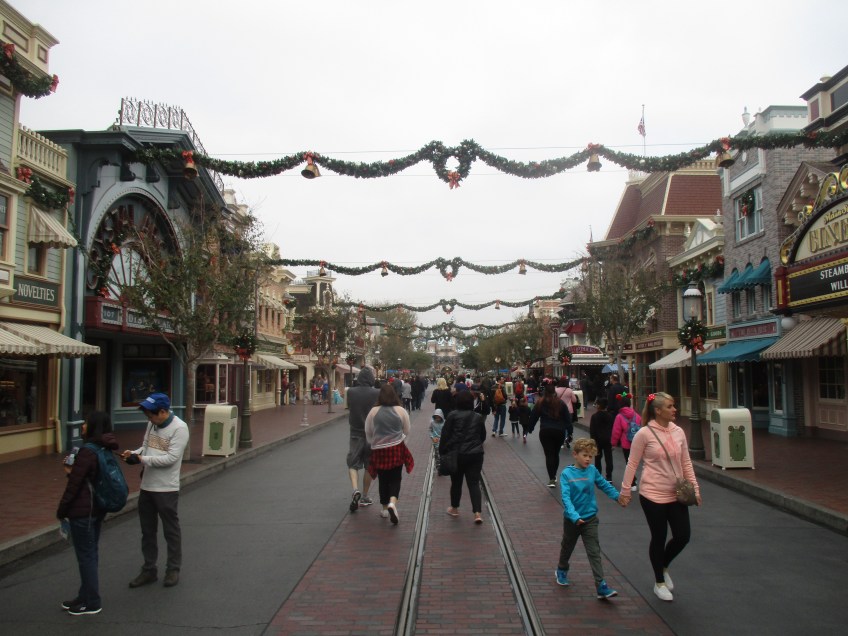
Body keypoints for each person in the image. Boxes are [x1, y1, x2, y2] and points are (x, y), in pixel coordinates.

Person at [619, 392, 701, 602]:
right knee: (659, 536)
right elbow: (632, 463)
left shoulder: (679, 432)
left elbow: (686, 463)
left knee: (683, 536)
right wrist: (625, 490)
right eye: (671, 406)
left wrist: (695, 489)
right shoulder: (644, 434)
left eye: (674, 406)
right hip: (652, 493)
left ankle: (663, 566)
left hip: (676, 493)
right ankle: (659, 582)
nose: (675, 409)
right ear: (658, 410)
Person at [121, 392, 189, 589]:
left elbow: (171, 459)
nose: (148, 418)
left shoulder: (180, 428)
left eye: (151, 414)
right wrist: (133, 454)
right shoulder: (152, 424)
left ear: (163, 411)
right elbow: (145, 447)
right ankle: (149, 569)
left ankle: (173, 568)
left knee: (171, 530)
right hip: (147, 486)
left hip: (166, 487)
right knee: (147, 530)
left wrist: (142, 459)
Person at [56, 411, 119, 615]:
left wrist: (62, 509)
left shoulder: (87, 452)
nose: (82, 426)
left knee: (86, 556)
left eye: (85, 423)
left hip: (84, 511)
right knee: (90, 554)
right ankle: (84, 595)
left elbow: (75, 484)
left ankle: (92, 601)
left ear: (93, 427)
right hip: (97, 508)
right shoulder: (105, 448)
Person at [555, 438, 624, 599]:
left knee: (594, 551)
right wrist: (574, 516)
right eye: (584, 455)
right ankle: (562, 568)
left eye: (590, 456)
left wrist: (617, 497)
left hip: (590, 519)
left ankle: (601, 585)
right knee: (567, 547)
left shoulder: (592, 470)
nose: (587, 459)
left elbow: (604, 484)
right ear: (575, 455)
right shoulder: (567, 474)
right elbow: (566, 498)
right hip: (572, 521)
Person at [364, 383, 414, 524]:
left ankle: (385, 508)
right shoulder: (400, 410)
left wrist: (374, 442)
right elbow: (407, 429)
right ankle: (393, 501)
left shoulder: (373, 411)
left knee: (383, 479)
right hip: (396, 448)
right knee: (395, 478)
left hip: (379, 449)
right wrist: (400, 438)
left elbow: (368, 430)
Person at [439, 390, 487, 523]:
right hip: (475, 454)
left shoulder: (452, 415)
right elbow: (482, 435)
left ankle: (454, 508)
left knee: (456, 482)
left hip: (457, 454)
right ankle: (477, 513)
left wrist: (442, 452)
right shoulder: (477, 417)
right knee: (474, 483)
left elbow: (445, 435)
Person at [346, 366, 380, 512]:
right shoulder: (377, 393)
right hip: (372, 433)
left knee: (352, 463)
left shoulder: (351, 392)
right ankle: (365, 495)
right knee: (369, 465)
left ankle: (355, 489)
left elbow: (349, 407)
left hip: (355, 432)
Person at [529, 383, 572, 487]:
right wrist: (570, 432)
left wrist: (530, 428)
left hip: (545, 431)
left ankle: (551, 478)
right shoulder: (560, 403)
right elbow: (567, 419)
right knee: (555, 454)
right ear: (554, 392)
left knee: (549, 455)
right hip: (559, 431)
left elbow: (534, 416)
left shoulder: (540, 403)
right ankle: (554, 474)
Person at [610, 393, 641, 489]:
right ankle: (634, 479)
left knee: (629, 463)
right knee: (635, 462)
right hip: (636, 442)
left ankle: (632, 482)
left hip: (626, 443)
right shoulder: (637, 415)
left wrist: (613, 443)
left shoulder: (619, 417)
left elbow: (616, 431)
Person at [589, 397, 614, 481]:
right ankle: (609, 476)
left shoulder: (594, 416)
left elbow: (592, 430)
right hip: (608, 439)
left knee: (598, 458)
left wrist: (592, 441)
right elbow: (612, 428)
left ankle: (598, 475)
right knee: (608, 458)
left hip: (597, 440)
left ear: (599, 406)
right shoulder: (610, 416)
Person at [554, 377, 576, 447]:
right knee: (568, 424)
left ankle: (561, 439)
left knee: (560, 424)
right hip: (569, 410)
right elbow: (574, 400)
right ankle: (567, 437)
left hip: (558, 409)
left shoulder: (556, 390)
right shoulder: (569, 390)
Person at [429, 408, 446, 473]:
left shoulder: (445, 422)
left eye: (439, 417)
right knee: (437, 453)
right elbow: (430, 430)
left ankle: (442, 465)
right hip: (436, 440)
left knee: (442, 453)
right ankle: (438, 467)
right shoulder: (432, 423)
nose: (437, 418)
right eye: (436, 417)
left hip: (443, 440)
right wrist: (432, 437)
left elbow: (447, 431)